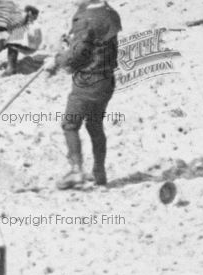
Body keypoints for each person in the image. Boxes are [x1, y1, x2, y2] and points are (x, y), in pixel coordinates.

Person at [44, 0, 122, 189]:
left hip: (88, 83)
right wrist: (71, 41)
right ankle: (99, 173)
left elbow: (78, 55)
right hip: (106, 81)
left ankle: (76, 171)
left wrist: (56, 60)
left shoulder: (86, 19)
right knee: (94, 125)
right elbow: (94, 44)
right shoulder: (108, 11)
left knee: (70, 124)